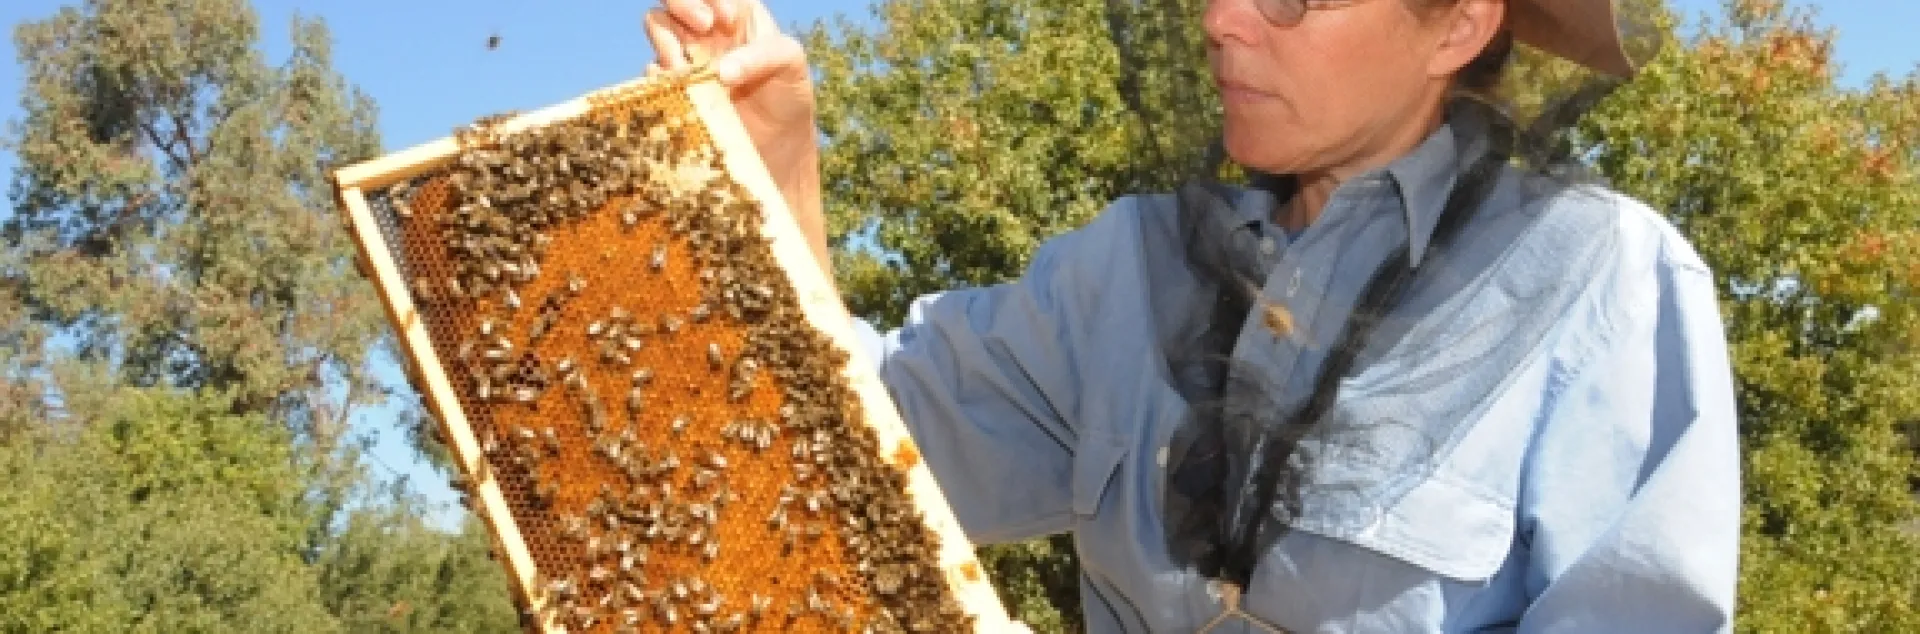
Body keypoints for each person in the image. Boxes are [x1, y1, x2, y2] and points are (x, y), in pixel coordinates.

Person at [645, 0, 1742, 632]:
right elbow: (831, 459)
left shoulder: (1602, 280)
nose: (1222, 19)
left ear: (1455, 23)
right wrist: (771, 171)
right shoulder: (1120, 272)